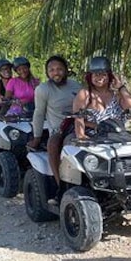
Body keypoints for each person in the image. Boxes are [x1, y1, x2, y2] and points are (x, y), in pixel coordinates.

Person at [27, 55, 82, 201]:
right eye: (51, 70)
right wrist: (37, 137)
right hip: (59, 130)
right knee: (53, 145)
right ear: (47, 73)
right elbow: (39, 113)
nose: (56, 73)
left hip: (80, 126)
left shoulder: (76, 85)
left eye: (59, 69)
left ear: (66, 70)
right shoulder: (43, 89)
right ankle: (61, 188)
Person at [72, 56, 131, 140]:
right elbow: (78, 118)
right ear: (90, 76)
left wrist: (121, 87)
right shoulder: (85, 94)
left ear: (110, 76)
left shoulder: (116, 94)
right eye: (96, 74)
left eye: (103, 74)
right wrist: (81, 137)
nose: (99, 77)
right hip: (94, 137)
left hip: (118, 136)